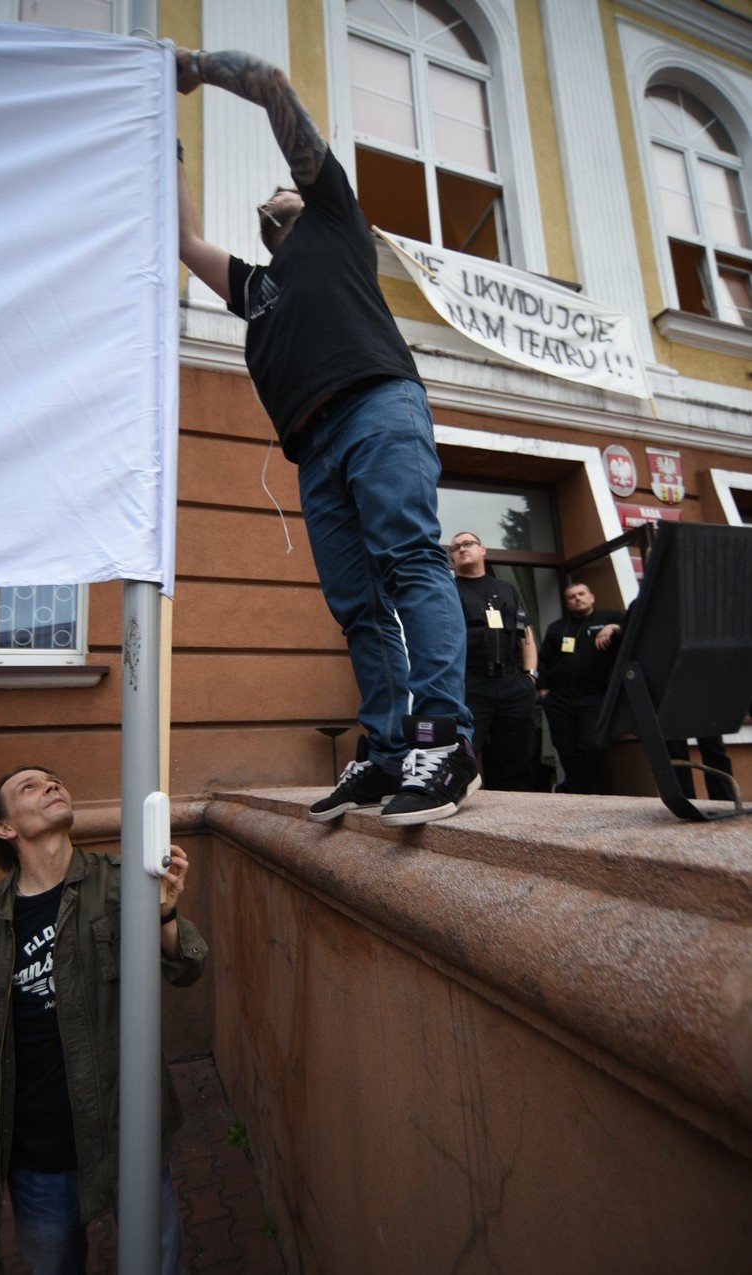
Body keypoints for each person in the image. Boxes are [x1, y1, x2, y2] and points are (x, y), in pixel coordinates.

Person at [175, 48, 479, 827]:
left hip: (377, 404)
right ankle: (386, 752)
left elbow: (276, 86)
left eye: (282, 189)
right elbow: (183, 238)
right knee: (358, 607)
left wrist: (197, 69)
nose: (270, 197)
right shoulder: (259, 285)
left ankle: (443, 742)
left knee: (410, 562)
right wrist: (162, 130)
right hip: (315, 448)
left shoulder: (337, 223)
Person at [0, 765, 207, 1274]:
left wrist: (164, 912)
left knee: (161, 1263)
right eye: (30, 786)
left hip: (128, 1131)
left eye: (54, 780)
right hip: (38, 1152)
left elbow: (187, 968)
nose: (52, 785)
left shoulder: (122, 884)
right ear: (4, 828)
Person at [449, 532, 538, 790]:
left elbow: (526, 634)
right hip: (470, 683)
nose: (462, 549)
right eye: (455, 547)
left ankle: (514, 817)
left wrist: (530, 675)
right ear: (452, 558)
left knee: (515, 758)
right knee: (462, 753)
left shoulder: (507, 590)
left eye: (468, 544)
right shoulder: (449, 590)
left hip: (512, 683)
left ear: (483, 550)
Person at [536, 583, 624, 793]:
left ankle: (570, 788)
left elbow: (634, 631)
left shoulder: (610, 617)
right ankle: (585, 794)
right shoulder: (557, 627)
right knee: (565, 749)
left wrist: (613, 628)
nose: (577, 598)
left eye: (581, 594)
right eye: (571, 597)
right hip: (559, 699)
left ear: (591, 597)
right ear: (567, 603)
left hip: (593, 697)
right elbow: (544, 660)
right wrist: (543, 692)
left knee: (592, 745)